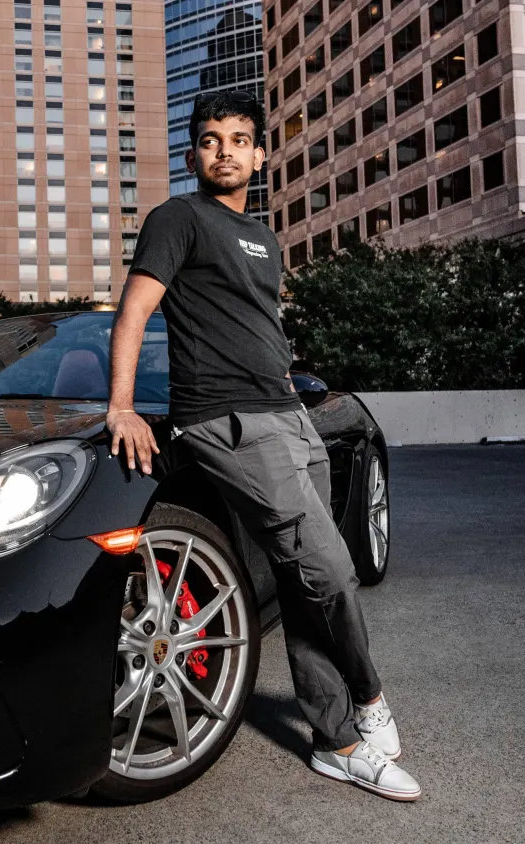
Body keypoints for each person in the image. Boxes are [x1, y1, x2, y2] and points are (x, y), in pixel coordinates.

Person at [105, 89, 421, 802]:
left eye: (239, 140)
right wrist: (121, 407)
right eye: (210, 140)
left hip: (287, 417)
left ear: (259, 155)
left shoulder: (263, 238)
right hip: (228, 420)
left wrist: (287, 385)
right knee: (331, 569)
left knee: (303, 578)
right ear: (193, 153)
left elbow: (259, 325)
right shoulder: (177, 219)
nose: (225, 152)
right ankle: (369, 700)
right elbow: (135, 312)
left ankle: (333, 741)